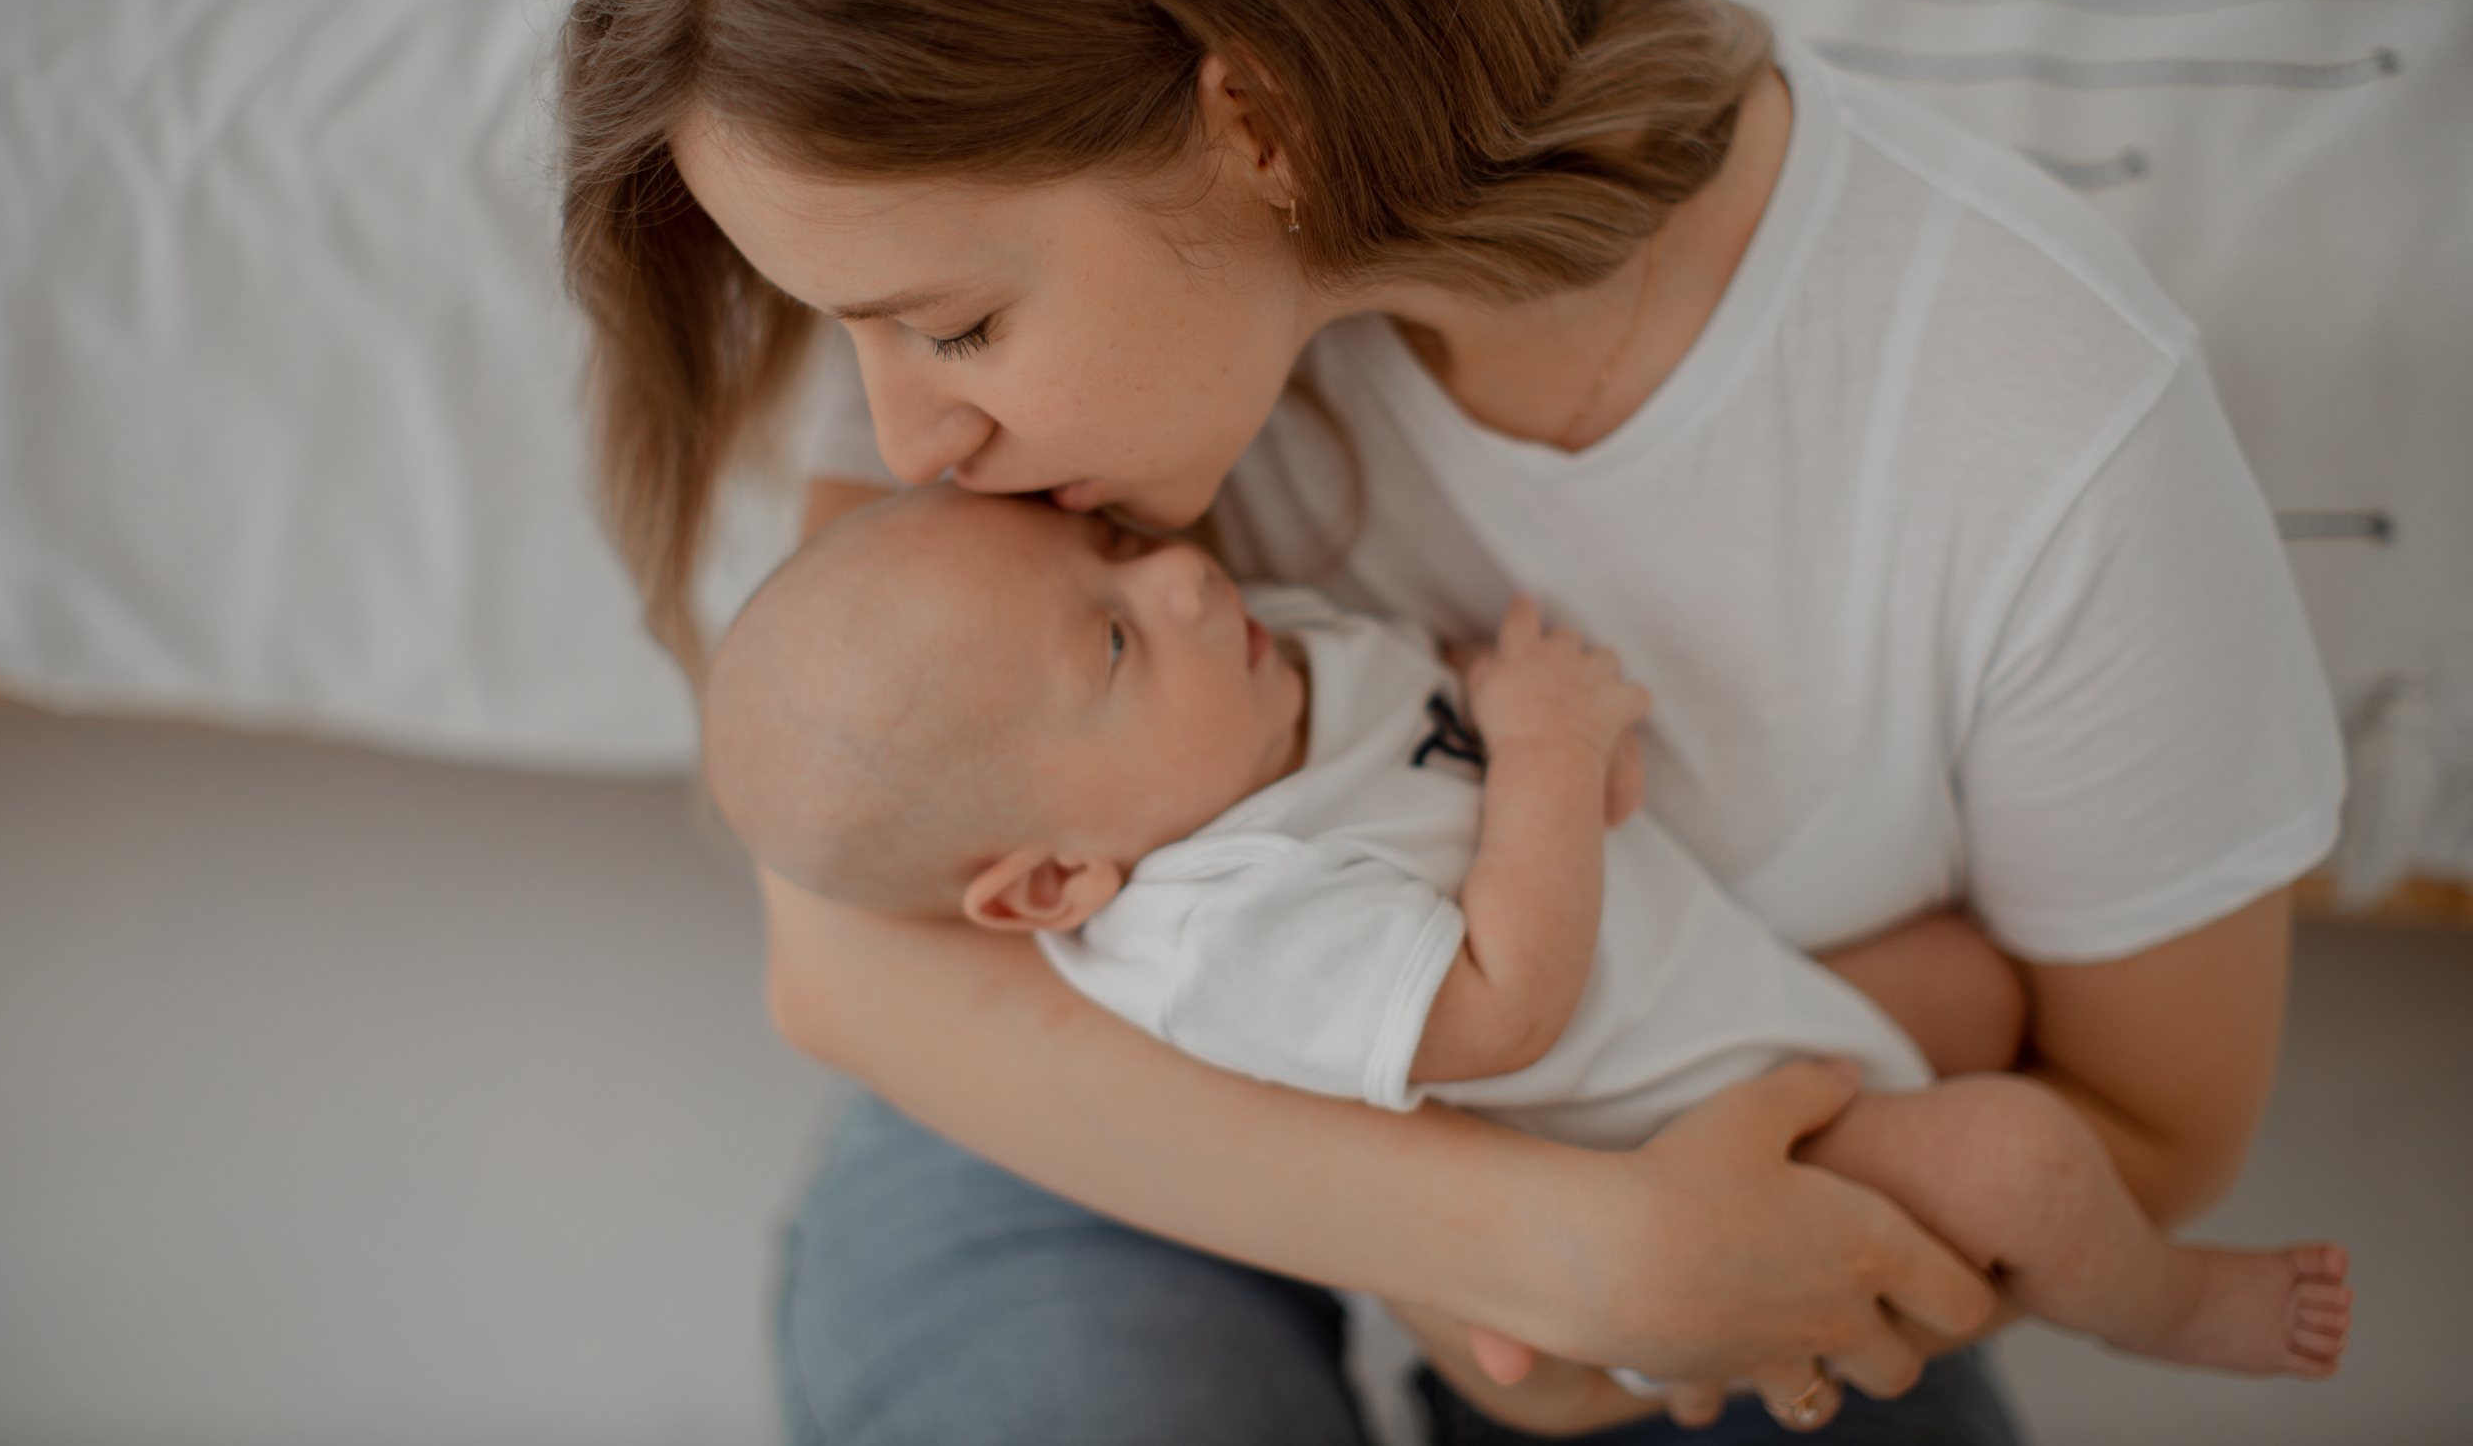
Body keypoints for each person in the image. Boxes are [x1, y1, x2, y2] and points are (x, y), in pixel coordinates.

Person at [558, 0, 2344, 1438]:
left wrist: (1641, 1273)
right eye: (860, 333)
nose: (909, 441)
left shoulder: (2040, 422)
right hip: (1083, 1094)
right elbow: (851, 955)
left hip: (1742, 1142)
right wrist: (1531, 1248)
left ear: (1256, 121)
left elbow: (2146, 1131)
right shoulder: (960, 309)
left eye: (954, 327)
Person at [704, 482, 2351, 1396]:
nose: (1191, 580)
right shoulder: (1221, 925)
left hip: (1720, 1005)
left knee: (1974, 990)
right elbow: (1500, 1010)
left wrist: (1556, 747)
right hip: (1659, 1143)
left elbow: (1432, 720)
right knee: (2013, 1157)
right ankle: (2168, 1306)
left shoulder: (1246, 695)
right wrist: (1552, 757)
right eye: (1118, 640)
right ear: (1053, 885)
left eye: (1116, 550)